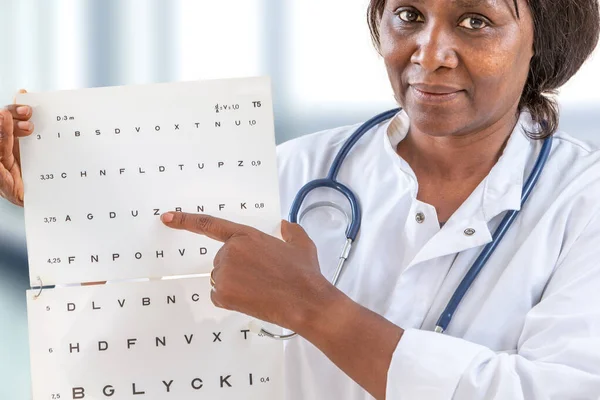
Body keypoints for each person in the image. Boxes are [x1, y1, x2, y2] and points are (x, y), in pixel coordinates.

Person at [2, 0, 600, 398]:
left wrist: (316, 309)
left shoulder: (583, 199)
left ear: (544, 38)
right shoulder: (293, 171)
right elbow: (160, 335)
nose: (428, 51)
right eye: (408, 14)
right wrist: (69, 207)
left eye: (476, 20)